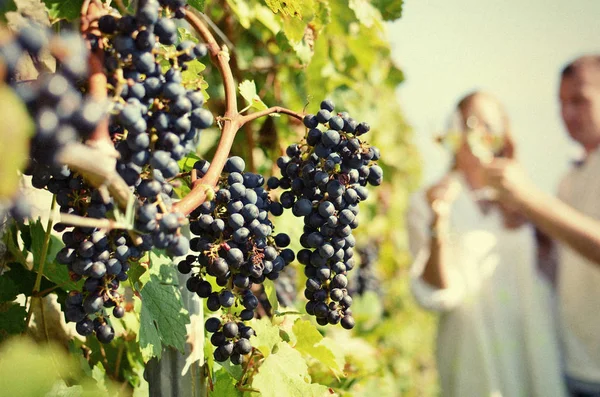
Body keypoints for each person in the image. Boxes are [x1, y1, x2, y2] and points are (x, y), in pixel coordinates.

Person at [407, 91, 567, 397]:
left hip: (532, 348)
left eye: (489, 125)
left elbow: (555, 268)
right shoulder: (428, 199)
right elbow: (435, 292)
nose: (477, 134)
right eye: (470, 123)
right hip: (472, 354)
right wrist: (437, 223)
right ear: (453, 128)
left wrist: (526, 204)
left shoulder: (525, 196)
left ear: (504, 136)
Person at [486, 55, 600, 396]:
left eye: (579, 100)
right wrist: (521, 209)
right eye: (561, 103)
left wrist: (529, 198)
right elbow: (558, 256)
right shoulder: (570, 178)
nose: (567, 114)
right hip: (575, 366)